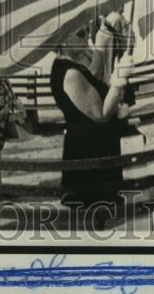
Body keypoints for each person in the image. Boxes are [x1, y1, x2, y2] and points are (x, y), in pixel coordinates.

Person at [49, 18, 136, 217]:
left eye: (87, 31)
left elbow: (96, 76)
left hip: (94, 144)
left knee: (101, 210)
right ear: (62, 40)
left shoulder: (72, 63)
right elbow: (101, 114)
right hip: (88, 149)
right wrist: (119, 80)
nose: (88, 37)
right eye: (81, 34)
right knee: (93, 211)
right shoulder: (70, 74)